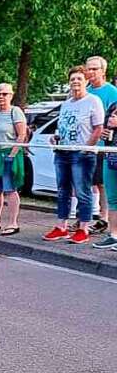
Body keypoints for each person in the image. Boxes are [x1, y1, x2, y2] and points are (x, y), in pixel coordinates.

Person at [43, 66, 104, 245]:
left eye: (79, 78)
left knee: (82, 190)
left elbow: (98, 128)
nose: (75, 82)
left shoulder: (93, 101)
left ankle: (83, 228)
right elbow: (63, 126)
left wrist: (87, 147)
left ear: (86, 81)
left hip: (82, 153)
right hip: (63, 152)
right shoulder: (67, 103)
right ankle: (61, 226)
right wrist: (56, 136)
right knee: (63, 190)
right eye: (72, 79)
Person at [0, 83, 27, 235]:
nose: (1, 97)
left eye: (4, 94)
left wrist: (12, 155)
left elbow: (21, 135)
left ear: (11, 95)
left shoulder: (15, 111)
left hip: (9, 153)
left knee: (10, 189)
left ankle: (13, 223)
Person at [85, 55, 117, 235]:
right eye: (88, 68)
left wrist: (106, 130)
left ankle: (104, 219)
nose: (90, 72)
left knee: (103, 183)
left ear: (103, 71)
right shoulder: (85, 90)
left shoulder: (112, 92)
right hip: (84, 144)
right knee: (85, 182)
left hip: (103, 146)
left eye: (94, 69)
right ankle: (86, 218)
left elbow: (112, 117)